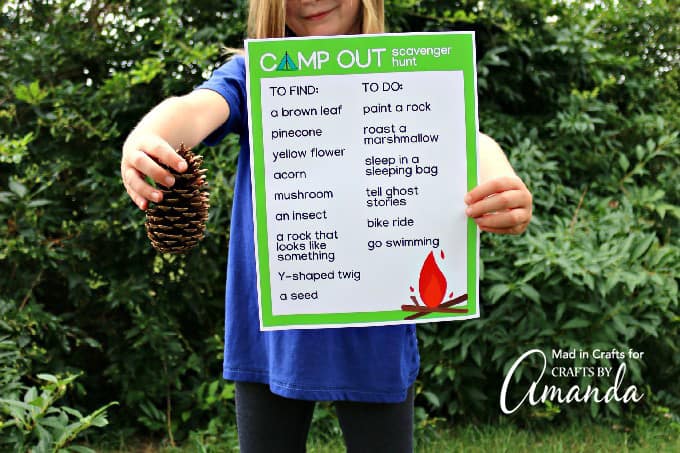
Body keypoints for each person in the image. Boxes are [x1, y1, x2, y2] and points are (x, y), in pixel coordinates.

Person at [121, 0, 532, 451]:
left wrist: (499, 179)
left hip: (378, 332)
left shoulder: (408, 67)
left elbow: (467, 137)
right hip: (269, 337)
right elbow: (196, 108)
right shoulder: (257, 75)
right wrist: (146, 138)